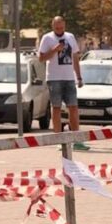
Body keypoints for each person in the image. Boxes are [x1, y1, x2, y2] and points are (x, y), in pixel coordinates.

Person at [38, 16, 87, 150]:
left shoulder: (70, 37)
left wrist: (79, 77)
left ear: (64, 25)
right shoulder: (47, 38)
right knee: (57, 108)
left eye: (61, 27)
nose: (59, 29)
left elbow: (75, 57)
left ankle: (77, 139)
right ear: (52, 26)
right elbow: (41, 58)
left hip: (69, 78)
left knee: (73, 107)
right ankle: (59, 140)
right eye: (56, 27)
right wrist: (54, 50)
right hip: (54, 78)